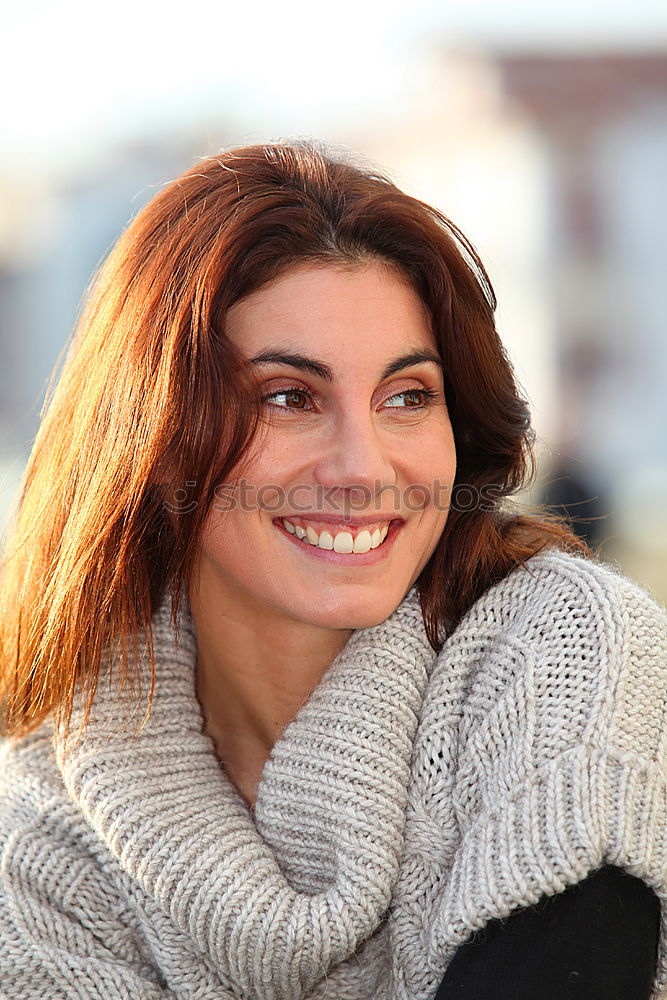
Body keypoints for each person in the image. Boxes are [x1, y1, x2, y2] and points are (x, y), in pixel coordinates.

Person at [0, 139, 665, 1000]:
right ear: (157, 437)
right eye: (288, 397)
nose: (363, 468)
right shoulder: (42, 825)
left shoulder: (563, 646)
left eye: (406, 397)